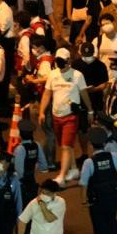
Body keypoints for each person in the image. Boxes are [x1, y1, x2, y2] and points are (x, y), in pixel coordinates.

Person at [38, 47, 94, 186]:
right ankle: (74, 169)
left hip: (71, 116)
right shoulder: (52, 75)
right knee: (64, 146)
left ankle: (62, 176)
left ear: (69, 61)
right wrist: (42, 111)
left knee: (65, 146)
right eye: (58, 61)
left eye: (62, 61)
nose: (59, 64)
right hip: (56, 115)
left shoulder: (77, 75)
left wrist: (90, 111)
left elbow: (84, 94)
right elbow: (47, 94)